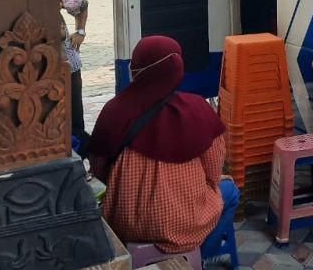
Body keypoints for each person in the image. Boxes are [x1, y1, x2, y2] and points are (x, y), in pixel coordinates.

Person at [88, 36, 239, 257]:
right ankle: (201, 260)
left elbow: (99, 168)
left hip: (126, 223)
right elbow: (213, 171)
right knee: (230, 192)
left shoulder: (113, 111)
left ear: (136, 69)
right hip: (188, 221)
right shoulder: (197, 109)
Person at [59, 0, 90, 155]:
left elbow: (82, 4)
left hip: (68, 68)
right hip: (36, 70)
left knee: (73, 122)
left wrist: (80, 31)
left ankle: (79, 157)